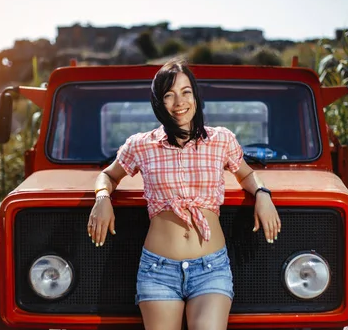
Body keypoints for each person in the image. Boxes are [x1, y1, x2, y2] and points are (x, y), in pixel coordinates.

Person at [88, 59, 281, 330]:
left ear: (196, 96)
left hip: (210, 268)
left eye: (186, 92)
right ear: (158, 102)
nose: (179, 102)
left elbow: (247, 174)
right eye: (169, 95)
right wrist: (102, 198)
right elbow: (107, 176)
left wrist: (262, 193)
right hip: (158, 270)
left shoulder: (221, 140)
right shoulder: (141, 145)